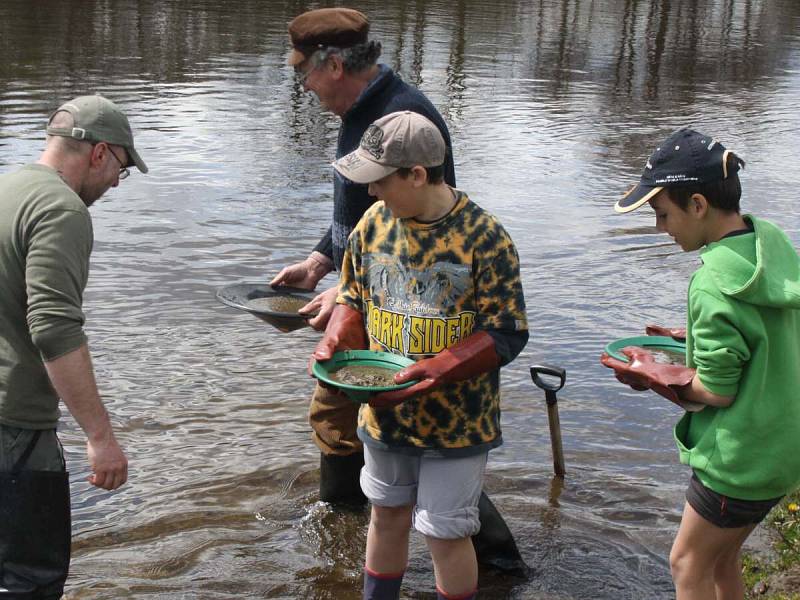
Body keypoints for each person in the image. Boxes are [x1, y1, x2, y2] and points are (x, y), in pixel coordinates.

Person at [274, 8, 524, 574]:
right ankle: (345, 528)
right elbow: (361, 218)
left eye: (304, 74)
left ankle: (495, 560)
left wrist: (348, 297)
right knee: (347, 422)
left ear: (333, 65)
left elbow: (424, 229)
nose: (305, 87)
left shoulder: (402, 120)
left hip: (419, 325)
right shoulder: (360, 112)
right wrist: (323, 261)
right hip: (368, 297)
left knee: (426, 445)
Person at [312, 111, 529, 600]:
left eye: (379, 181)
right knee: (385, 515)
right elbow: (351, 296)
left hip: (457, 424)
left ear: (417, 175)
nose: (371, 193)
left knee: (444, 532)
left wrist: (438, 370)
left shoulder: (484, 237)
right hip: (383, 413)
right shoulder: (372, 225)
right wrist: (337, 338)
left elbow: (507, 333)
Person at [601, 128, 800, 600]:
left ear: (696, 205)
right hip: (784, 447)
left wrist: (651, 376)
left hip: (740, 458)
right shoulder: (770, 247)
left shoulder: (710, 283)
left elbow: (716, 391)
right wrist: (691, 335)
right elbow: (765, 330)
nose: (659, 228)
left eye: (662, 213)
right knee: (721, 560)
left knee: (687, 562)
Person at [0, 95, 146, 597]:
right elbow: (54, 329)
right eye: (120, 170)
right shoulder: (61, 210)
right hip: (15, 424)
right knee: (30, 579)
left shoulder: (9, 187)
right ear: (99, 152)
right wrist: (101, 438)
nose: (114, 185)